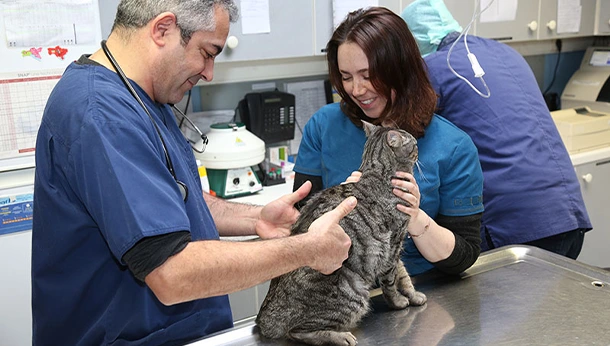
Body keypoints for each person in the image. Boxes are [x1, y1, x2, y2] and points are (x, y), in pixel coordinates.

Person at [31, 1, 358, 345]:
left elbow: (174, 201)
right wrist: (306, 250)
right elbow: (173, 274)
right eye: (207, 52)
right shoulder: (102, 115)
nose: (209, 73)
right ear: (162, 30)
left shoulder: (145, 99)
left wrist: (257, 218)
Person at [293, 7, 484, 277]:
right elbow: (300, 222)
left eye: (368, 75)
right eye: (346, 77)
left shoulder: (453, 147)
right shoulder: (323, 126)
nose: (356, 90)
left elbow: (463, 256)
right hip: (338, 293)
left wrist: (414, 216)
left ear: (400, 69)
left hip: (420, 294)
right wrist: (340, 207)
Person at [401, 0, 592, 259]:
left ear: (412, 43)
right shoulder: (506, 51)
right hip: (567, 213)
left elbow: (413, 139)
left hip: (517, 227)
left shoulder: (430, 69)